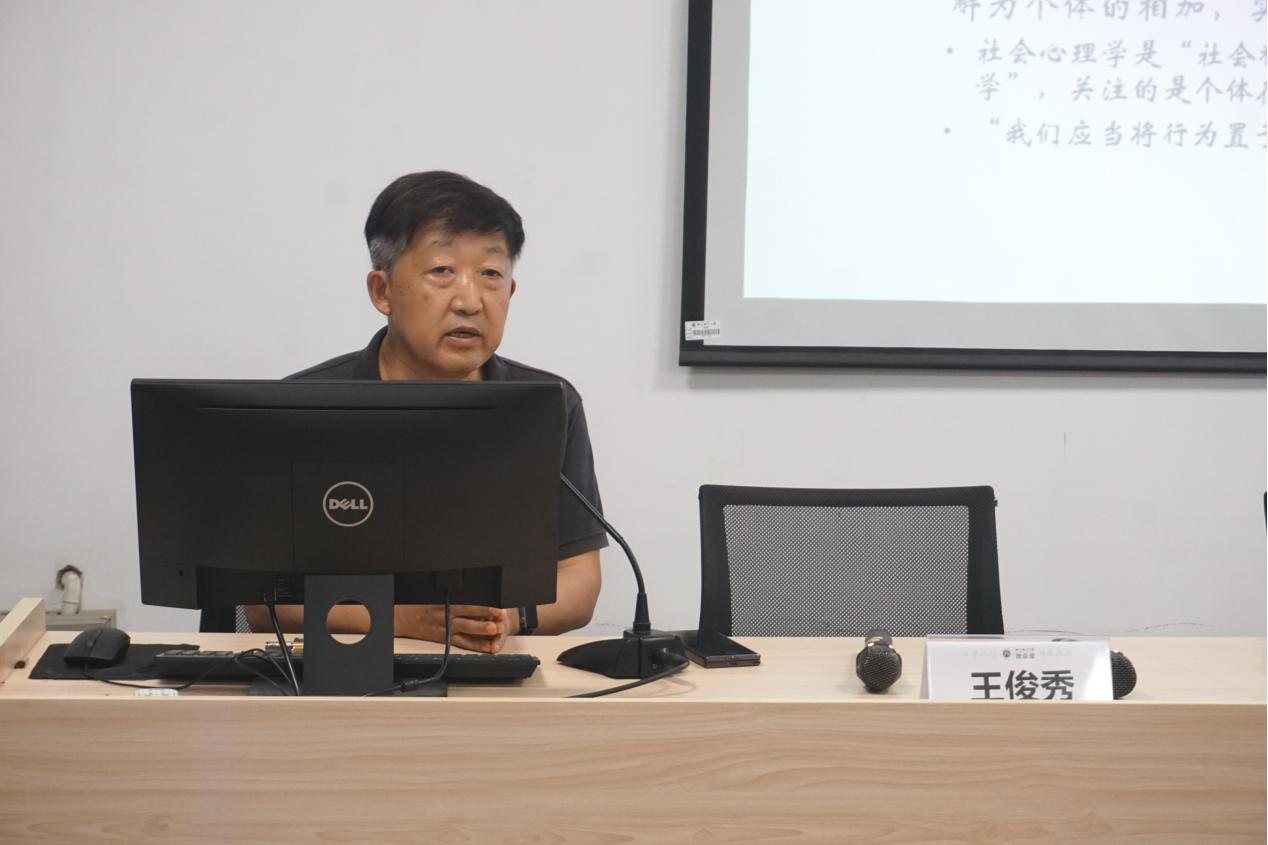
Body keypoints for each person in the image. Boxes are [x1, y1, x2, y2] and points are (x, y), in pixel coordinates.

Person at [244, 171, 605, 652]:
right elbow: (265, 604)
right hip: (341, 668)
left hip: (492, 665)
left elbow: (579, 577)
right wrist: (403, 619)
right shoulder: (304, 407)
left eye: (491, 274)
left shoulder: (547, 404)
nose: (470, 300)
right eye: (442, 271)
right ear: (382, 291)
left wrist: (504, 620)